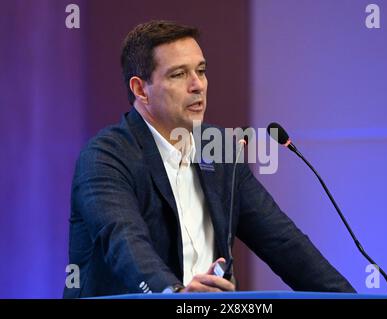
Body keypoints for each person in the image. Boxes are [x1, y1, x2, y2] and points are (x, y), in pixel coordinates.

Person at [63, 20, 355, 298]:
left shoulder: (217, 148)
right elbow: (123, 241)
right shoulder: (106, 157)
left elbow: (284, 243)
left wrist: (352, 300)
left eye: (200, 71)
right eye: (179, 74)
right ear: (141, 90)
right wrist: (173, 294)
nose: (198, 85)